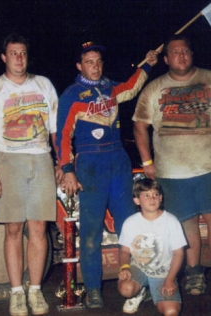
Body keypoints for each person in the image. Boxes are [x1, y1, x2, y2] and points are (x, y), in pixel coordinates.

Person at [133, 34, 211, 301]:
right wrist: (147, 162)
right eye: (175, 52)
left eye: (186, 51)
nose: (181, 56)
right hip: (171, 173)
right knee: (185, 225)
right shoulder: (154, 88)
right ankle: (194, 273)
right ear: (166, 59)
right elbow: (140, 125)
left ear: (191, 55)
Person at [56, 41, 159, 308]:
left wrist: (147, 63)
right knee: (90, 232)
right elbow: (62, 136)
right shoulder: (71, 95)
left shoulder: (110, 87)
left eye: (99, 61)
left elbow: (132, 87)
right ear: (80, 66)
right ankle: (93, 289)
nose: (95, 66)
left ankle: (138, 281)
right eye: (89, 62)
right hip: (90, 165)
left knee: (129, 226)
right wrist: (67, 169)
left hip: (118, 162)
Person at [0, 32, 60, 316]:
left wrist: (63, 163)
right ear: (4, 57)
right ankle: (16, 293)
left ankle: (34, 291)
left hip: (41, 160)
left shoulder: (44, 84)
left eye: (22, 53)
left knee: (38, 229)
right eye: (13, 53)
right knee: (12, 229)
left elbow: (56, 130)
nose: (19, 58)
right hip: (7, 160)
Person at [118, 178, 186, 315]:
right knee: (126, 289)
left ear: (161, 198)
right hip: (139, 267)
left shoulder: (171, 221)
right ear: (137, 200)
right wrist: (125, 267)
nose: (152, 199)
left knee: (171, 312)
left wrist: (170, 280)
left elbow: (179, 254)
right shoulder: (130, 222)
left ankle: (154, 291)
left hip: (163, 273)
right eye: (146, 195)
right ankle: (137, 293)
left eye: (155, 194)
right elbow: (124, 251)